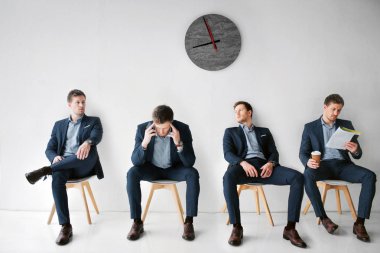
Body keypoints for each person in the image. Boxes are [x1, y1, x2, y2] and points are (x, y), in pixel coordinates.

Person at [223, 101, 306, 248]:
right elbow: (228, 154)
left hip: (265, 168)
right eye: (235, 111)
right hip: (244, 168)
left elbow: (273, 152)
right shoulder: (230, 132)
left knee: (297, 177)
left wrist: (271, 163)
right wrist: (242, 163)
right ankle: (237, 227)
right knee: (228, 177)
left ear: (249, 112)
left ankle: (290, 228)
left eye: (240, 110)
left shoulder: (264, 131)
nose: (236, 113)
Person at [25, 89, 104, 245]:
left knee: (81, 155)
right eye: (78, 102)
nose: (82, 105)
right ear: (69, 104)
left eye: (83, 102)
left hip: (84, 163)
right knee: (57, 179)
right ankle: (66, 227)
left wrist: (88, 143)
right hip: (64, 165)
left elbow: (97, 136)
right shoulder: (59, 125)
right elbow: (49, 148)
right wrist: (54, 157)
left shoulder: (94, 121)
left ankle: (45, 170)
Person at [300, 93, 376, 242]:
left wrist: (355, 150)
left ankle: (359, 223)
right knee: (307, 174)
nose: (336, 113)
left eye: (339, 110)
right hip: (322, 165)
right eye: (333, 109)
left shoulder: (346, 125)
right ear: (325, 107)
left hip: (343, 165)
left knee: (370, 176)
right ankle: (324, 218)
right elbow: (303, 152)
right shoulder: (310, 127)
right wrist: (307, 162)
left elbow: (358, 154)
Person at [126, 105, 200, 241]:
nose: (161, 131)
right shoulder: (143, 129)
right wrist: (144, 143)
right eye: (158, 127)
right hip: (152, 169)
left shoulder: (182, 129)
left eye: (165, 127)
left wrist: (178, 143)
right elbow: (135, 161)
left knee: (193, 173)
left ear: (171, 122)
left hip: (174, 169)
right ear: (153, 122)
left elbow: (190, 162)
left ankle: (189, 222)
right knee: (132, 173)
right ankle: (137, 222)